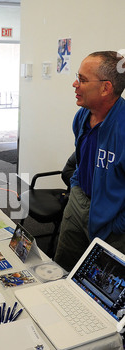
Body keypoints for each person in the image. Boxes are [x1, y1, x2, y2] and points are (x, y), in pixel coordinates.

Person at [54, 51, 125, 272]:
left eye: (83, 80)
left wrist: (117, 226)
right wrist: (75, 188)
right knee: (62, 268)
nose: (75, 84)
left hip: (112, 220)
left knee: (99, 289)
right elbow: (82, 160)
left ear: (106, 88)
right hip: (78, 203)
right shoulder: (82, 116)